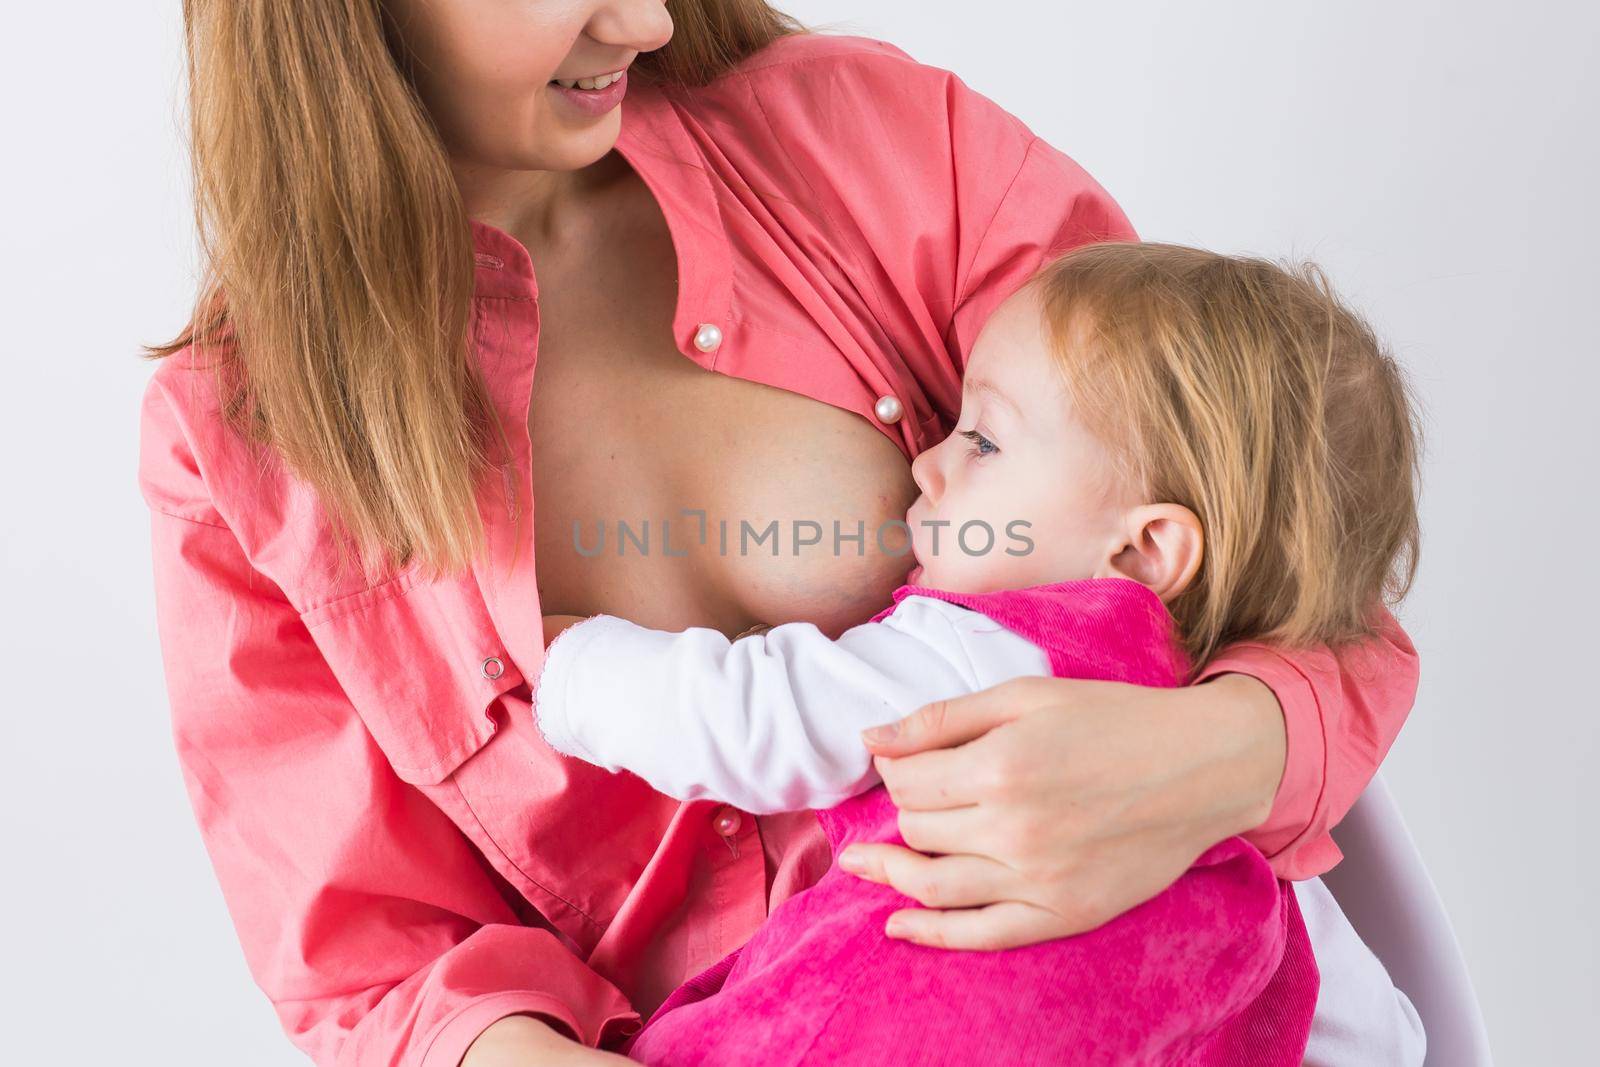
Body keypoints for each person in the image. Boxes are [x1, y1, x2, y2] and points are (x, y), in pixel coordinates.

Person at [137, 3, 1419, 1064]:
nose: (644, 18)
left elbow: (1276, 539)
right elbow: (375, 965)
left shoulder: (866, 142)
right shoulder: (233, 439)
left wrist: (1213, 752)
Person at [531, 241, 1421, 1063]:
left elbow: (762, 718)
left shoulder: (988, 649)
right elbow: (1371, 1030)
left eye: (983, 440)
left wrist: (574, 670)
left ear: (1145, 550)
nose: (926, 462)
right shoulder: (1226, 805)